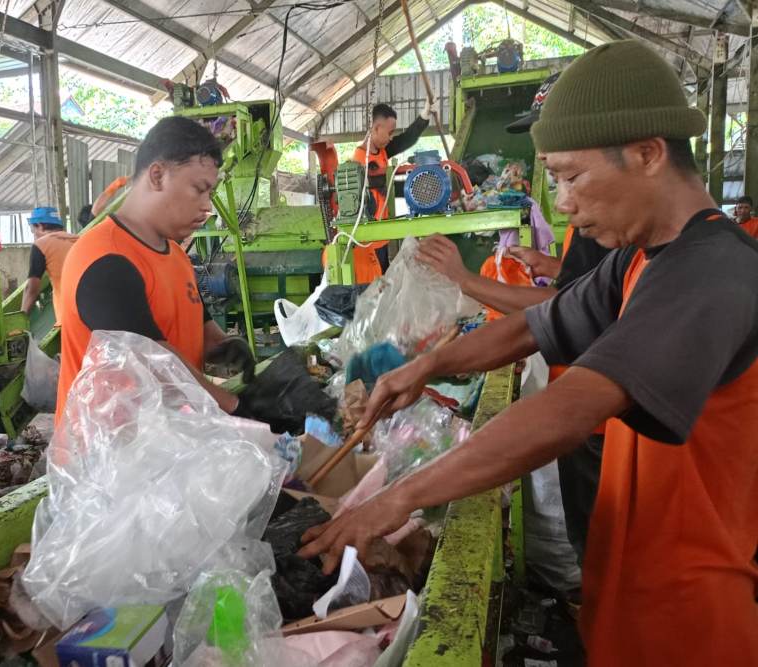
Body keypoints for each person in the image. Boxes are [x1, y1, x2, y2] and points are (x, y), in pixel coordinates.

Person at [301, 40, 758, 665]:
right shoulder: (635, 261)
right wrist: (427, 366)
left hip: (696, 616)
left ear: (649, 153)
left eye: (572, 177)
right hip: (631, 588)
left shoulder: (712, 272)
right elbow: (535, 325)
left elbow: (574, 404)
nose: (563, 201)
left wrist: (397, 498)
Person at [417, 70, 612, 565]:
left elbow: (557, 313)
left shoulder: (686, 269)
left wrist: (465, 281)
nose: (562, 198)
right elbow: (575, 294)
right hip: (587, 407)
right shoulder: (603, 233)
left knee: (601, 547)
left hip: (597, 420)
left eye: (567, 174)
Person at [55, 116, 253, 423]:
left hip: (162, 443)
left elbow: (198, 333)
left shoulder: (175, 255)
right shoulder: (105, 260)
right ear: (158, 175)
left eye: (210, 194)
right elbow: (154, 365)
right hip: (106, 454)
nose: (207, 207)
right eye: (198, 190)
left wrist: (225, 347)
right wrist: (236, 407)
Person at [349, 102, 432, 280]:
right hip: (368, 242)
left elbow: (406, 139)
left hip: (382, 236)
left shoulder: (382, 151)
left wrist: (424, 116)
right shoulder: (358, 162)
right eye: (389, 132)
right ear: (377, 128)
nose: (391, 137)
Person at [20, 206, 78, 318]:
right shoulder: (79, 240)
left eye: (33, 229)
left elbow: (32, 290)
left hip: (69, 316)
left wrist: (20, 319)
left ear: (40, 226)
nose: (34, 234)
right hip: (94, 312)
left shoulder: (41, 244)